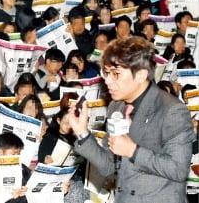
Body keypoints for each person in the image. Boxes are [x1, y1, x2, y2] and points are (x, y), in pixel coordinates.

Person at [69, 36, 194, 203]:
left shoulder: (172, 110)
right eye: (106, 73)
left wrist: (133, 151)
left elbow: (178, 169)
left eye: (116, 74)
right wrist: (82, 133)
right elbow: (108, 166)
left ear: (141, 74)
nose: (108, 81)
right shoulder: (116, 107)